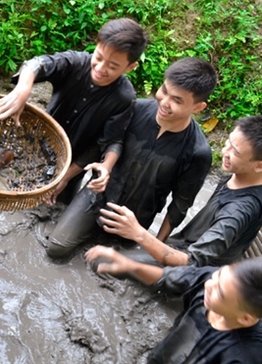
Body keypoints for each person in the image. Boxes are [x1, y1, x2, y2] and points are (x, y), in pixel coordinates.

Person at [47, 57, 218, 258]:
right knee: (56, 248)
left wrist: (155, 247)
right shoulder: (134, 109)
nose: (164, 102)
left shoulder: (198, 152)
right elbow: (100, 145)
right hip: (96, 197)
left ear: (198, 107)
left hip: (133, 221)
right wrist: (66, 177)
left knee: (104, 267)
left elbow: (180, 206)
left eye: (177, 100)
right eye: (164, 91)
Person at [0, 18, 149, 204]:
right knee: (0, 194)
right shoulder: (76, 63)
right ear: (96, 46)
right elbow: (37, 63)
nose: (101, 68)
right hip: (33, 147)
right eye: (99, 57)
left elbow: (110, 141)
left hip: (71, 168)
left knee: (49, 211)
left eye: (112, 66)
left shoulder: (124, 97)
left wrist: (72, 175)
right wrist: (23, 89)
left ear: (130, 67)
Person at [97, 115, 262, 268]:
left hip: (196, 272)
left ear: (259, 165)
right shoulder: (240, 175)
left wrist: (138, 233)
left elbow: (192, 262)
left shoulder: (236, 212)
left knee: (102, 263)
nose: (225, 152)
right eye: (229, 143)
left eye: (235, 152)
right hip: (184, 246)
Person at [85, 247, 262, 363]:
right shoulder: (214, 281)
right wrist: (130, 266)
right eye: (218, 275)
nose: (208, 285)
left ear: (245, 318)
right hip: (166, 353)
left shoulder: (244, 356)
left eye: (220, 293)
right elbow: (170, 278)